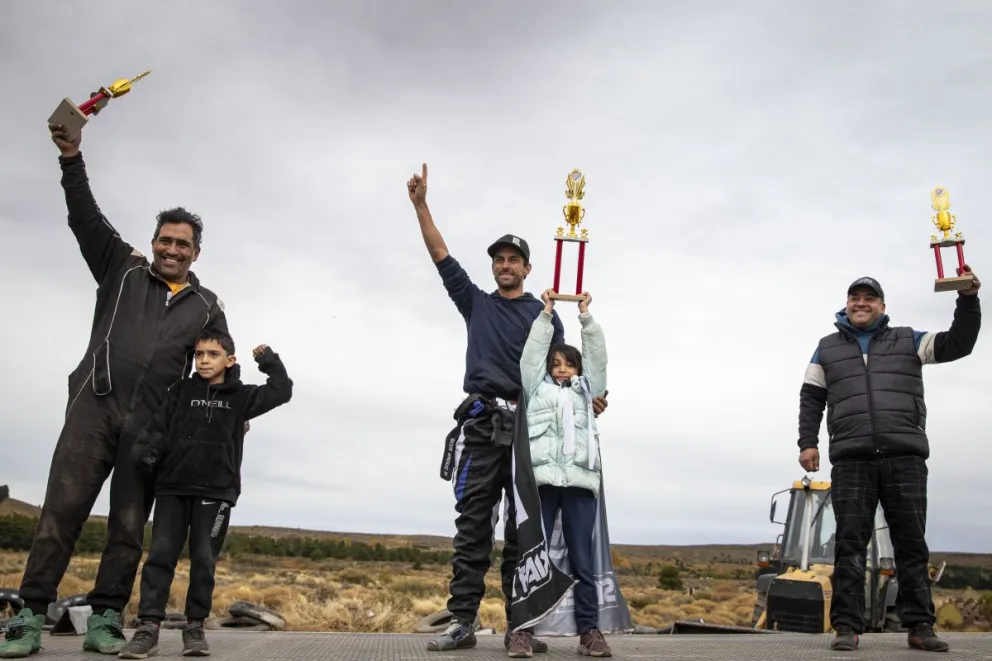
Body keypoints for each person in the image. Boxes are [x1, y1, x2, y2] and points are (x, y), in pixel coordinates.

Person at [0, 124, 229, 659]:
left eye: (183, 244)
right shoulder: (120, 269)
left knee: (128, 528)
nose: (172, 249)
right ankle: (28, 617)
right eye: (165, 240)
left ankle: (106, 619)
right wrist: (71, 158)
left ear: (196, 253)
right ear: (153, 243)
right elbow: (85, 217)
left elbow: (218, 366)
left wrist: (225, 416)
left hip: (152, 429)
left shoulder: (207, 306)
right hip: (93, 412)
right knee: (60, 514)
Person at [406, 163, 609, 654]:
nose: (505, 264)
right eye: (499, 258)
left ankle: (521, 628)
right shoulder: (475, 302)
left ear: (528, 268)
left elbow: (565, 373)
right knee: (473, 526)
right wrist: (420, 206)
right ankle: (462, 623)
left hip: (527, 433)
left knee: (522, 536)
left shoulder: (546, 318)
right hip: (480, 426)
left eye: (514, 258)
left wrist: (589, 398)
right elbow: (440, 254)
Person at [797, 269, 981, 653]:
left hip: (905, 456)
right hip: (852, 459)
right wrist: (808, 443)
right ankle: (845, 627)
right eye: (854, 298)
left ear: (882, 307)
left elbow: (959, 344)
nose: (860, 303)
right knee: (850, 544)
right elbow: (812, 397)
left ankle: (919, 627)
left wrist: (967, 299)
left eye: (869, 298)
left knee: (911, 544)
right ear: (846, 305)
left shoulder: (908, 340)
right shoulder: (826, 347)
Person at [117, 331, 293, 658]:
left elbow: (282, 391)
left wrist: (269, 362)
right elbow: (156, 429)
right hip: (173, 488)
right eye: (199, 355)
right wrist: (146, 460)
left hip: (216, 491)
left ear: (229, 360)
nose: (204, 360)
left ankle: (195, 627)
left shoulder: (241, 397)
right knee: (160, 557)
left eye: (213, 354)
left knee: (203, 560)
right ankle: (148, 629)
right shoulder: (181, 391)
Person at [512, 289, 610, 658]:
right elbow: (531, 357)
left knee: (582, 559)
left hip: (580, 484)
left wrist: (585, 317)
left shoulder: (589, 393)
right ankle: (521, 631)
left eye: (568, 362)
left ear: (578, 369)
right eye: (556, 363)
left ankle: (590, 631)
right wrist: (546, 314)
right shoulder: (537, 389)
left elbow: (598, 359)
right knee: (532, 556)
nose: (561, 367)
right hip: (542, 483)